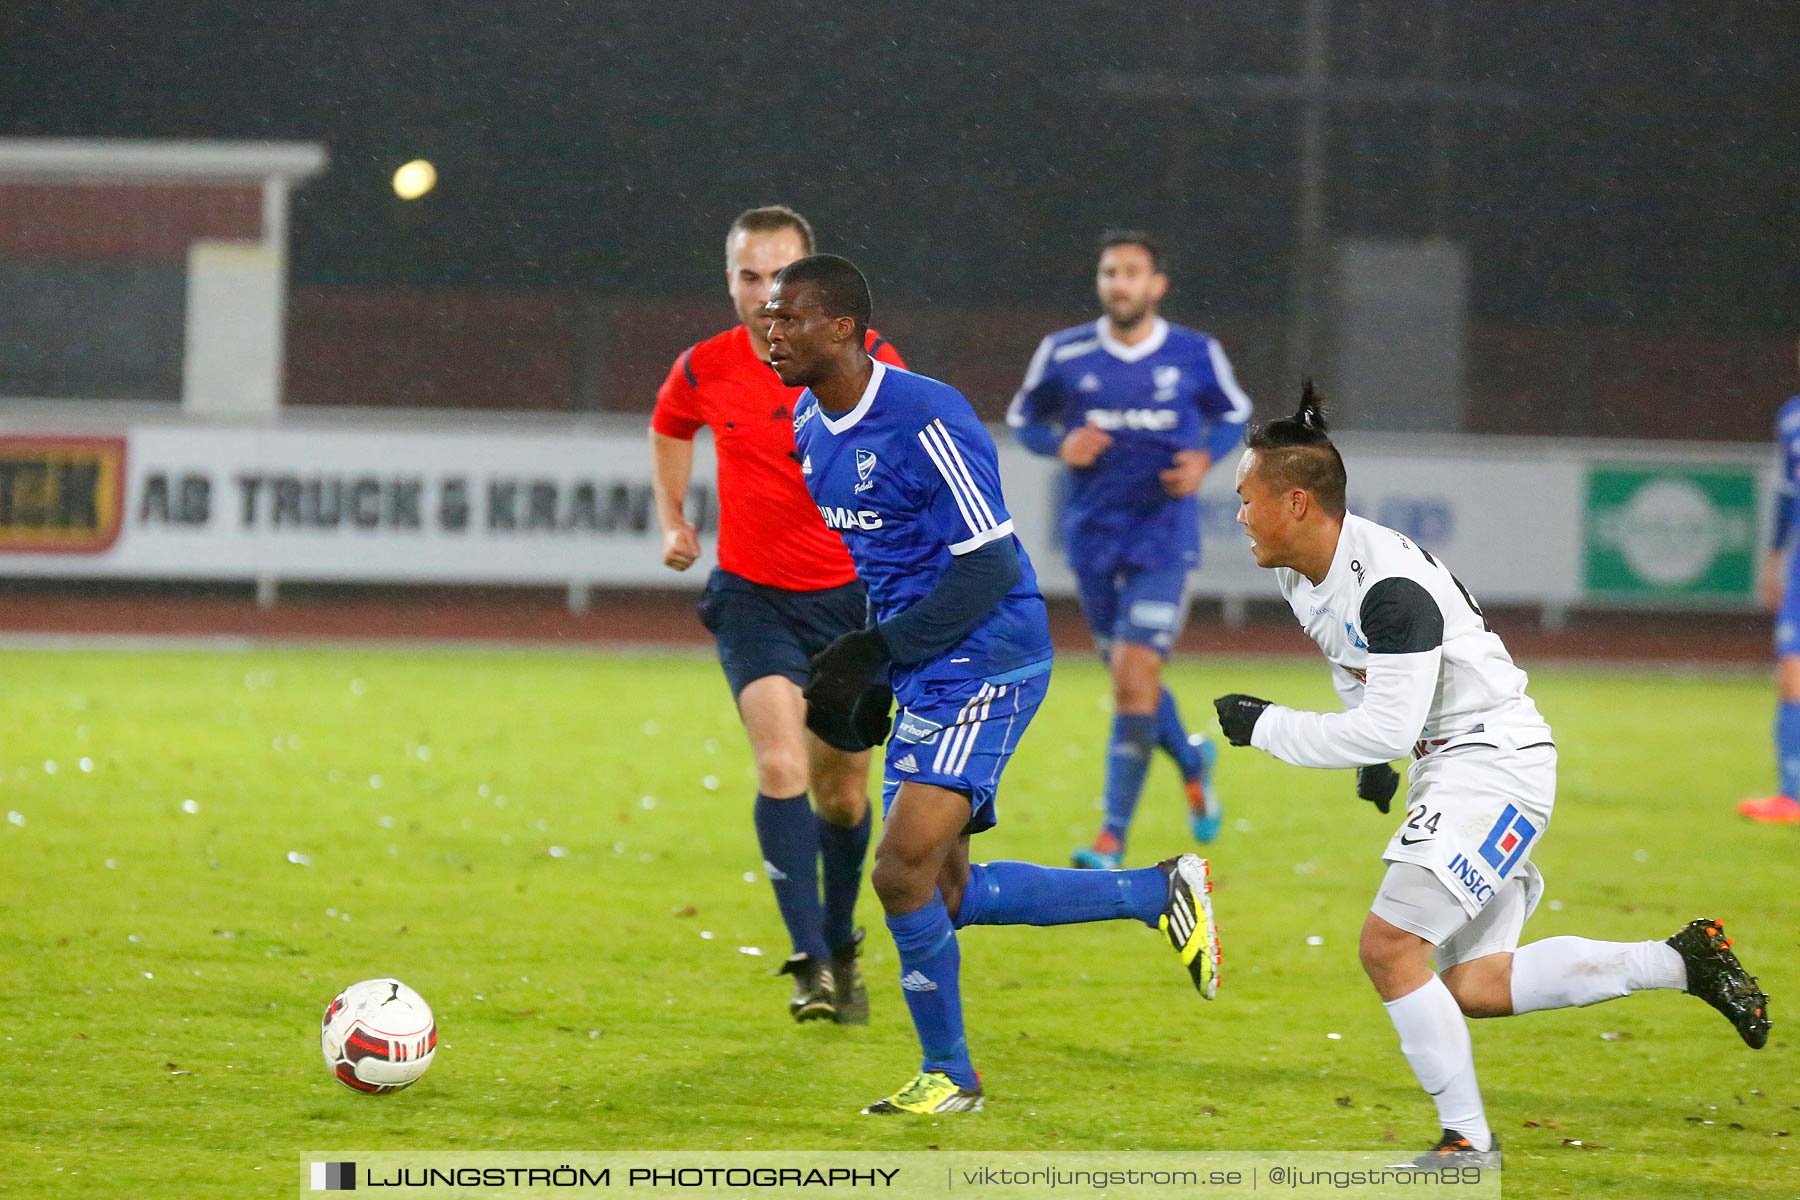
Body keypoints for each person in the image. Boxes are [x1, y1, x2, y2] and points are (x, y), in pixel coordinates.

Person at [1212, 385, 1771, 1170]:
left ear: (1296, 502)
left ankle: (1467, 1142)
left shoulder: (1389, 589)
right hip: (1459, 766)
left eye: (1246, 499)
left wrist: (1266, 725)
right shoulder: (1301, 572)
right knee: (1474, 984)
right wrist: (1379, 761)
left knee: (1388, 948)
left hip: (1492, 763)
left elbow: (1387, 722)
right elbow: (1367, 684)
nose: (1238, 514)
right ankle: (1682, 959)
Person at [769, 253, 1222, 1115]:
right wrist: (882, 657)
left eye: (789, 318)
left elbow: (988, 567)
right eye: (769, 316)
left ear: (841, 328)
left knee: (899, 874)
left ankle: (952, 1076)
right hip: (925, 661)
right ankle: (1154, 889)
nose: (772, 330)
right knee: (945, 890)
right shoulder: (806, 421)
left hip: (989, 653)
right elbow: (887, 560)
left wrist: (878, 650)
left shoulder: (925, 415)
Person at [648, 206, 906, 1025]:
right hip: (754, 597)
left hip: (853, 606)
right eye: (748, 277)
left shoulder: (870, 363)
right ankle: (808, 964)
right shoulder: (705, 367)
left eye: (782, 278)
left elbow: (919, 454)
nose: (766, 296)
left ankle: (838, 943)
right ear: (728, 280)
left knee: (843, 795)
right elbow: (670, 424)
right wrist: (674, 517)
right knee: (781, 767)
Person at [1007, 230, 1250, 869]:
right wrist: (1059, 444)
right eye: (1111, 271)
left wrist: (1206, 459)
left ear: (1156, 284)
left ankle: (1111, 836)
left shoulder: (1196, 353)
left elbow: (1232, 417)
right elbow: (1024, 420)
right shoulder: (1064, 352)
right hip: (1091, 539)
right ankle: (1193, 760)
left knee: (1132, 679)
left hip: (1164, 540)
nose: (1120, 283)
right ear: (1101, 282)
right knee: (1132, 680)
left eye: (1133, 272)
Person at [1740, 341, 1800, 824]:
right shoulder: (1791, 418)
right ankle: (1792, 794)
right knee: (1792, 676)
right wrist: (1774, 559)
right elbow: (1785, 495)